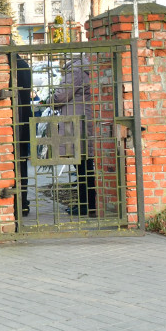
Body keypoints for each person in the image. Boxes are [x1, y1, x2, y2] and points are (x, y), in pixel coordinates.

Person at [52, 55, 97, 217]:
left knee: (82, 167)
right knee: (84, 165)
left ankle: (87, 205)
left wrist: (51, 98)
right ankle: (87, 203)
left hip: (76, 124)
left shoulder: (75, 71)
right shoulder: (84, 68)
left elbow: (61, 96)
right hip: (83, 121)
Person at [11, 54, 34, 222]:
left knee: (13, 162)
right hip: (25, 119)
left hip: (13, 119)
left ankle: (15, 202)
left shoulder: (10, 65)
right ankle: (23, 203)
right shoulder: (24, 65)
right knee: (22, 162)